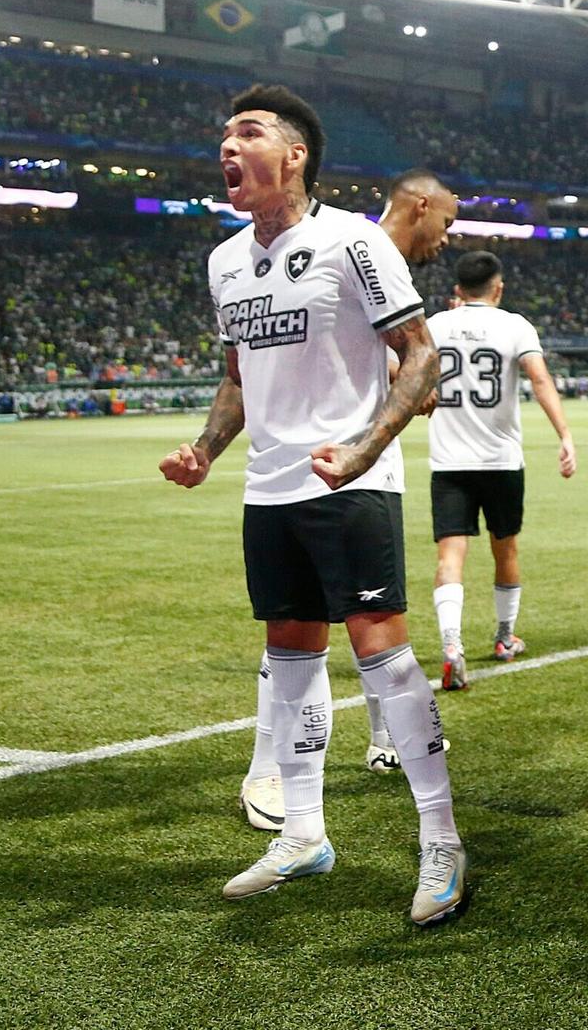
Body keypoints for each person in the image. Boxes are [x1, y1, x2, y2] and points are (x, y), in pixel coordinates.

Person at [159, 84, 466, 926]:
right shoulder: (225, 260)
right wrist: (205, 450)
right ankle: (303, 834)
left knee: (384, 660)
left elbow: (420, 354)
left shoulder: (354, 245)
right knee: (290, 662)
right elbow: (236, 377)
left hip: (352, 481)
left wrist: (367, 446)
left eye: (247, 133)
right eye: (222, 134)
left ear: (294, 156)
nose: (227, 146)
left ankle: (441, 839)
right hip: (271, 489)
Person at [234, 167, 458, 823]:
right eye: (445, 220)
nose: (446, 238)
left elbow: (414, 371)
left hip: (346, 470)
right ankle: (273, 776)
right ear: (419, 206)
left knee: (344, 630)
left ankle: (356, 760)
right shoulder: (350, 246)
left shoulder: (362, 254)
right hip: (315, 469)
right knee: (308, 635)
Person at [427, 250, 577, 689]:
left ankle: (450, 644)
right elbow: (540, 379)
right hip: (501, 461)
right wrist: (564, 435)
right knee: (505, 550)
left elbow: (402, 369)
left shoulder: (436, 326)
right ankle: (504, 637)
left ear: (457, 289)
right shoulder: (515, 326)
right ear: (499, 287)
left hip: (449, 462)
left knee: (450, 555)